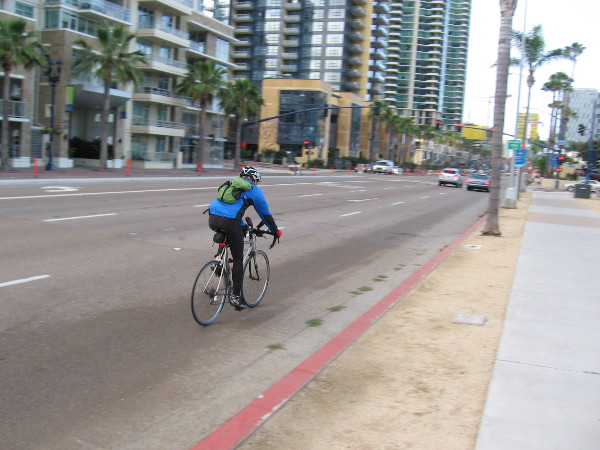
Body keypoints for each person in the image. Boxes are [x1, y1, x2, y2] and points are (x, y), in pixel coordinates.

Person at [207, 166, 282, 310]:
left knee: (233, 230)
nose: (257, 184)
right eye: (257, 182)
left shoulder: (231, 182)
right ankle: (236, 297)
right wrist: (275, 231)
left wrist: (243, 225)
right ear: (253, 180)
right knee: (238, 259)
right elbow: (265, 214)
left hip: (212, 217)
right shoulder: (254, 190)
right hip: (229, 221)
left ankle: (218, 260)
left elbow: (231, 209)